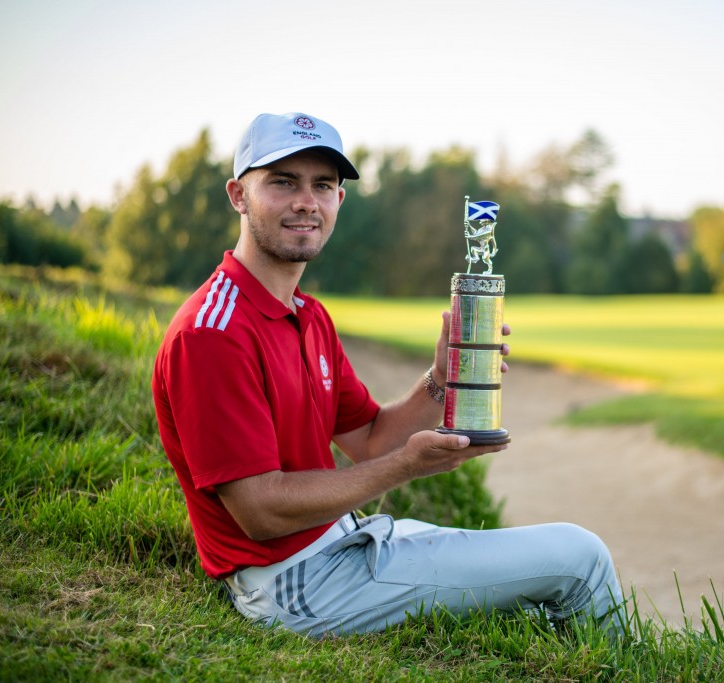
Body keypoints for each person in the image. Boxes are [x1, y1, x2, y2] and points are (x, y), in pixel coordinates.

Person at [151, 111, 624, 637]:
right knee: (581, 558)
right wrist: (408, 466)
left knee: (541, 597)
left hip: (342, 542)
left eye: (322, 185)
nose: (306, 200)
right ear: (239, 195)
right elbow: (260, 512)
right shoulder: (213, 332)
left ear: (339, 202)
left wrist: (441, 379)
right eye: (283, 182)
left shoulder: (307, 314)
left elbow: (371, 440)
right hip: (293, 584)